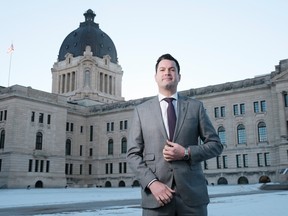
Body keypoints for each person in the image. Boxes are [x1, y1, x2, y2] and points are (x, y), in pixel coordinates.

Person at [127, 53, 223, 216]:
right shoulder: (141, 111)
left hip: (192, 198)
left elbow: (216, 145)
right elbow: (132, 155)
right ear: (156, 77)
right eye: (162, 69)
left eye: (172, 69)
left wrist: (186, 153)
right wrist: (152, 183)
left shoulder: (195, 107)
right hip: (156, 198)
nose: (167, 72)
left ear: (179, 76)